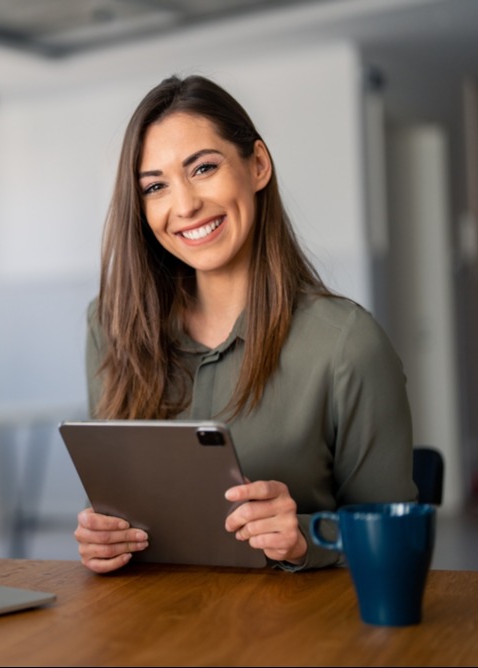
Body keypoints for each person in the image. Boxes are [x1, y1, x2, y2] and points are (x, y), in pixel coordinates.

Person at [74, 74, 418, 573]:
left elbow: (397, 539)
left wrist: (305, 537)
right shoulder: (110, 325)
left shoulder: (345, 344)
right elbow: (115, 504)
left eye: (204, 168)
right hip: (147, 634)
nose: (185, 205)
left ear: (257, 165)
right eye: (155, 186)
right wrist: (104, 537)